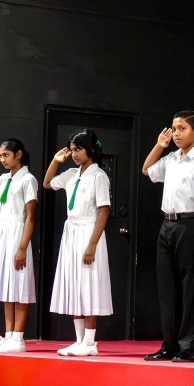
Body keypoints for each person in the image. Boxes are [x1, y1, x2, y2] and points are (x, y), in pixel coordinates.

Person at [141, 111, 194, 363]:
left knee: (190, 289)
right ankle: (169, 345)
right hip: (168, 225)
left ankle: (189, 346)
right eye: (173, 128)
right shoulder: (172, 158)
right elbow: (147, 170)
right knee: (167, 289)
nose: (175, 133)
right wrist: (159, 145)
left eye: (181, 128)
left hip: (191, 224)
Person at [44, 129, 113, 357]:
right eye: (72, 149)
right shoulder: (72, 174)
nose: (74, 154)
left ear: (90, 150)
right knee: (75, 283)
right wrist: (56, 160)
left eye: (78, 149)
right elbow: (47, 183)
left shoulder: (98, 176)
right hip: (71, 231)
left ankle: (91, 342)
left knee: (89, 284)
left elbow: (103, 211)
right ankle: (79, 340)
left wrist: (92, 244)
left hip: (89, 230)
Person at [0, 139, 38, 353]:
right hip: (1, 234)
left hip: (17, 234)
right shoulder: (3, 179)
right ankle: (9, 335)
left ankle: (18, 338)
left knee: (18, 284)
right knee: (6, 285)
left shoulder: (28, 180)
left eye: (5, 155)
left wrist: (22, 247)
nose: (2, 159)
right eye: (0, 155)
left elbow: (30, 217)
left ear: (18, 154)